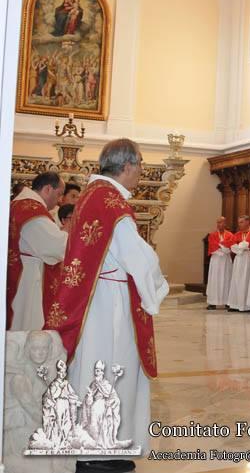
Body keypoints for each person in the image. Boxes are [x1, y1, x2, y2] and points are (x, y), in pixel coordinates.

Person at [48, 138, 168, 473]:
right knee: (112, 370)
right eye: (140, 165)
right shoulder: (112, 202)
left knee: (92, 369)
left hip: (95, 299)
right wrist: (158, 287)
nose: (141, 172)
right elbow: (139, 257)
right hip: (110, 307)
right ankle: (101, 448)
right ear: (127, 165)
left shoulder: (90, 195)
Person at [7, 172, 67, 331]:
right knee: (27, 327)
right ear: (48, 189)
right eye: (59, 194)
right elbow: (56, 246)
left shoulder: (19, 204)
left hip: (21, 271)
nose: (60, 200)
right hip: (28, 278)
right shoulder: (32, 210)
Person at [226, 216, 250, 312]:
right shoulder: (237, 234)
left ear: (247, 222)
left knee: (247, 280)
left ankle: (248, 306)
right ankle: (235, 304)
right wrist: (243, 247)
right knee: (237, 280)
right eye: (239, 222)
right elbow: (232, 247)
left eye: (241, 222)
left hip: (249, 259)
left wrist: (242, 247)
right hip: (239, 259)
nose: (239, 224)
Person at [205, 216, 233, 310]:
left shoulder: (230, 235)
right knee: (215, 280)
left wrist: (221, 246)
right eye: (217, 222)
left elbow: (231, 246)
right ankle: (212, 302)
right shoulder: (212, 235)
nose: (219, 224)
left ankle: (227, 302)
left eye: (221, 222)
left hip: (225, 260)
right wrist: (222, 247)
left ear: (225, 223)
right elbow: (212, 246)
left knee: (226, 279)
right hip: (216, 260)